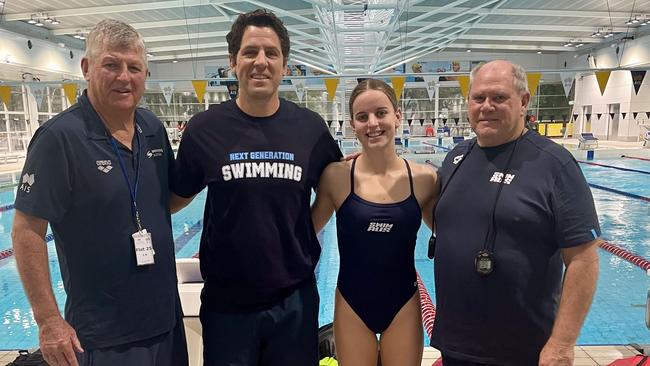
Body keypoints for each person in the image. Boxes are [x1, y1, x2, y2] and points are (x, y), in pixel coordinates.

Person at [170, 9, 342, 366]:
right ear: (233, 62)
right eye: (250, 52)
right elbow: (173, 199)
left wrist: (305, 231)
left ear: (285, 64)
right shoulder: (204, 129)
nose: (260, 62)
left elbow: (336, 188)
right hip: (226, 304)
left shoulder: (310, 129)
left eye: (271, 53)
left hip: (294, 298)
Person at [12, 19, 188, 366]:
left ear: (145, 74)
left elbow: (161, 202)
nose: (124, 77)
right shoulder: (59, 138)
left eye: (134, 67)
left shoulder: (152, 128)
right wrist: (48, 321)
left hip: (165, 323)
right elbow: (26, 231)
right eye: (112, 64)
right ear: (87, 68)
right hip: (104, 336)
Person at [430, 60, 600, 365]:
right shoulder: (457, 156)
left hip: (524, 349)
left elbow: (583, 259)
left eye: (498, 98)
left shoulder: (553, 164)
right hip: (456, 343)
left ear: (523, 102)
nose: (486, 106)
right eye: (478, 98)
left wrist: (562, 343)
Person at [311, 79, 439, 366]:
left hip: (403, 304)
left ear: (397, 115)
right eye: (362, 116)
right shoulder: (336, 177)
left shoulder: (424, 179)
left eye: (381, 113)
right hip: (352, 306)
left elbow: (453, 236)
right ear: (352, 124)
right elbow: (304, 233)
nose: (372, 123)